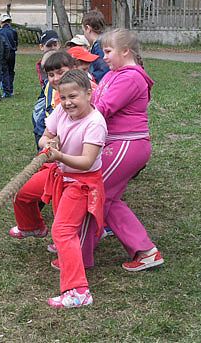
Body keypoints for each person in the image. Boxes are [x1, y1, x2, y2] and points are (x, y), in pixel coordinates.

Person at [9, 69, 107, 308]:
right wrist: (48, 143)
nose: (67, 102)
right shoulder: (62, 113)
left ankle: (78, 291)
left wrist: (59, 155)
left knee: (63, 231)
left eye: (73, 96)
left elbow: (86, 162)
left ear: (89, 93)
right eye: (63, 98)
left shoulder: (95, 123)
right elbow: (45, 136)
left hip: (82, 183)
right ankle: (32, 227)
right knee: (23, 193)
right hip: (60, 175)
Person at [80, 28, 164, 272]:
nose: (103, 57)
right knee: (108, 198)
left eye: (108, 51)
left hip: (126, 145)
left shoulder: (130, 77)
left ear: (125, 51)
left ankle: (79, 254)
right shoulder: (113, 74)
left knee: (91, 192)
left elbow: (102, 108)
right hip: (119, 144)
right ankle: (146, 251)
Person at [32, 51, 75, 149]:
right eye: (51, 75)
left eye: (60, 73)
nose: (56, 78)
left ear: (73, 69)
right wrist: (47, 144)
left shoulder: (86, 91)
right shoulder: (56, 97)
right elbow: (44, 137)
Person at [82, 10, 110, 83]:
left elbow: (103, 70)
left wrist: (89, 80)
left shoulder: (100, 47)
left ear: (88, 29)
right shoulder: (103, 43)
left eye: (83, 31)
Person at [0, 13, 18, 98]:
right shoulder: (14, 31)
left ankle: (6, 91)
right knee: (11, 71)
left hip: (3, 54)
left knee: (4, 72)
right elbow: (16, 43)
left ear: (1, 22)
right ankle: (11, 89)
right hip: (12, 53)